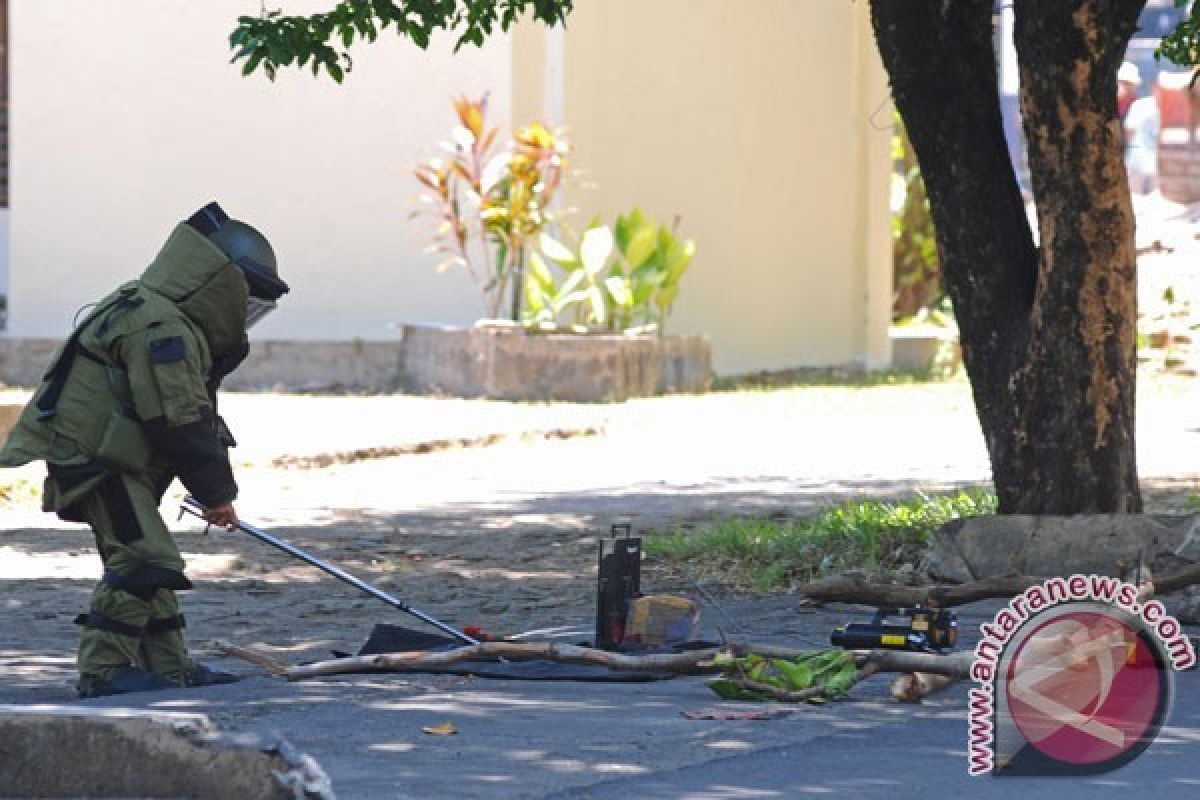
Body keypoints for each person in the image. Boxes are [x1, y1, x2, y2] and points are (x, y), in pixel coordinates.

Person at [0, 202, 289, 697]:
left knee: (151, 559)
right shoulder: (161, 327)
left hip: (112, 459)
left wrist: (210, 486)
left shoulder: (154, 310)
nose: (245, 316)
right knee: (143, 560)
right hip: (97, 465)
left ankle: (169, 668)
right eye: (248, 301)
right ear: (219, 284)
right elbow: (179, 419)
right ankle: (103, 671)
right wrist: (216, 492)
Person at [1118, 61, 1161, 194]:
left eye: (1130, 84)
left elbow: (1128, 132)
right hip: (1135, 160)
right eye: (1124, 83)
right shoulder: (1113, 104)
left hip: (1137, 160)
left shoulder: (1136, 104)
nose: (1128, 88)